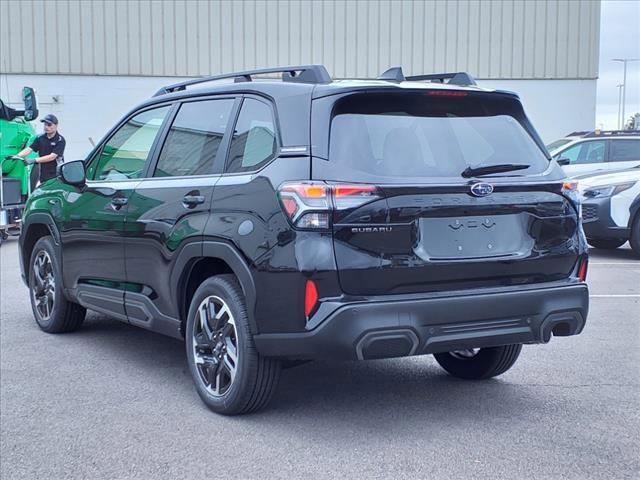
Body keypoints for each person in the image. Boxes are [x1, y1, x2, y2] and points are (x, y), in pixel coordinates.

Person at [13, 114, 66, 185]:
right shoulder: (40, 138)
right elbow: (29, 149)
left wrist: (34, 160)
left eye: (49, 125)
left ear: (56, 125)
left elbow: (52, 157)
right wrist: (16, 156)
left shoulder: (60, 140)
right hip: (43, 175)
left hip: (56, 176)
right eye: (45, 124)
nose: (46, 127)